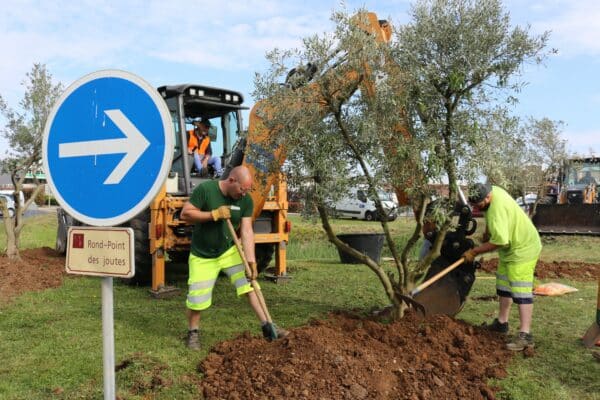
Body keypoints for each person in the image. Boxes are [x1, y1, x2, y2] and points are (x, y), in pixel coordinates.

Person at [180, 165, 288, 350]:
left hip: (228, 250)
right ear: (231, 181)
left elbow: (246, 231)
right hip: (203, 255)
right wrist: (213, 214)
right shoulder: (206, 190)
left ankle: (268, 326)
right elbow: (185, 214)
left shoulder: (245, 201)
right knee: (198, 297)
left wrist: (251, 261)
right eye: (242, 189)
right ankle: (193, 333)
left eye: (247, 190)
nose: (244, 194)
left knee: (250, 284)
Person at [462, 182, 542, 351]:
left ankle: (525, 335)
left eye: (479, 204)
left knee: (520, 291)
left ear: (488, 197)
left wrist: (475, 251)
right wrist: (487, 232)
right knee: (504, 286)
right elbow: (495, 228)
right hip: (509, 250)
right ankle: (501, 323)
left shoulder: (496, 210)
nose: (477, 207)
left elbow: (500, 241)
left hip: (523, 249)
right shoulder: (493, 190)